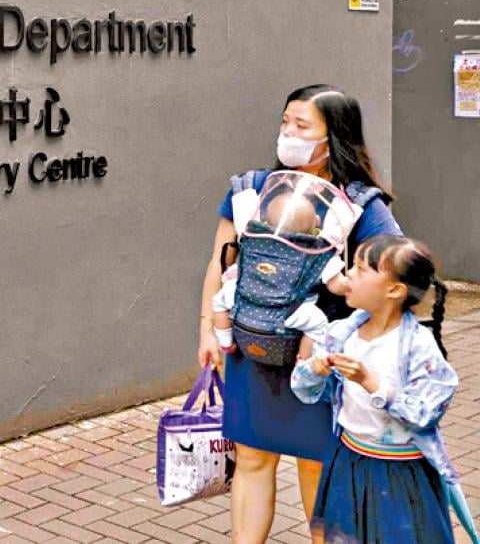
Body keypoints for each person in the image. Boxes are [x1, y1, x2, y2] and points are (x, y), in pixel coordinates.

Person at [196, 84, 402, 543]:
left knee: (317, 465)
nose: (288, 133)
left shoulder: (359, 205)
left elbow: (396, 272)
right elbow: (220, 263)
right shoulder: (251, 190)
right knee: (251, 458)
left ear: (335, 137)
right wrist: (207, 329)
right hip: (249, 347)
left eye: (302, 126)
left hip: (319, 359)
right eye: (285, 122)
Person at [292, 236, 462, 543]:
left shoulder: (417, 346)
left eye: (361, 268)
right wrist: (314, 370)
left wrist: (370, 382)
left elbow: (425, 413)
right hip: (348, 460)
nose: (349, 273)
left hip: (401, 472)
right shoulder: (341, 333)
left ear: (394, 290)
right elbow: (304, 390)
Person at [211, 190, 332, 359]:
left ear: (266, 222)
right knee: (318, 324)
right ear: (317, 222)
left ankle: (225, 342)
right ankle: (303, 360)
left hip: (244, 301)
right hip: (287, 312)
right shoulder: (315, 252)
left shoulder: (256, 240)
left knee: (218, 301)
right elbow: (335, 284)